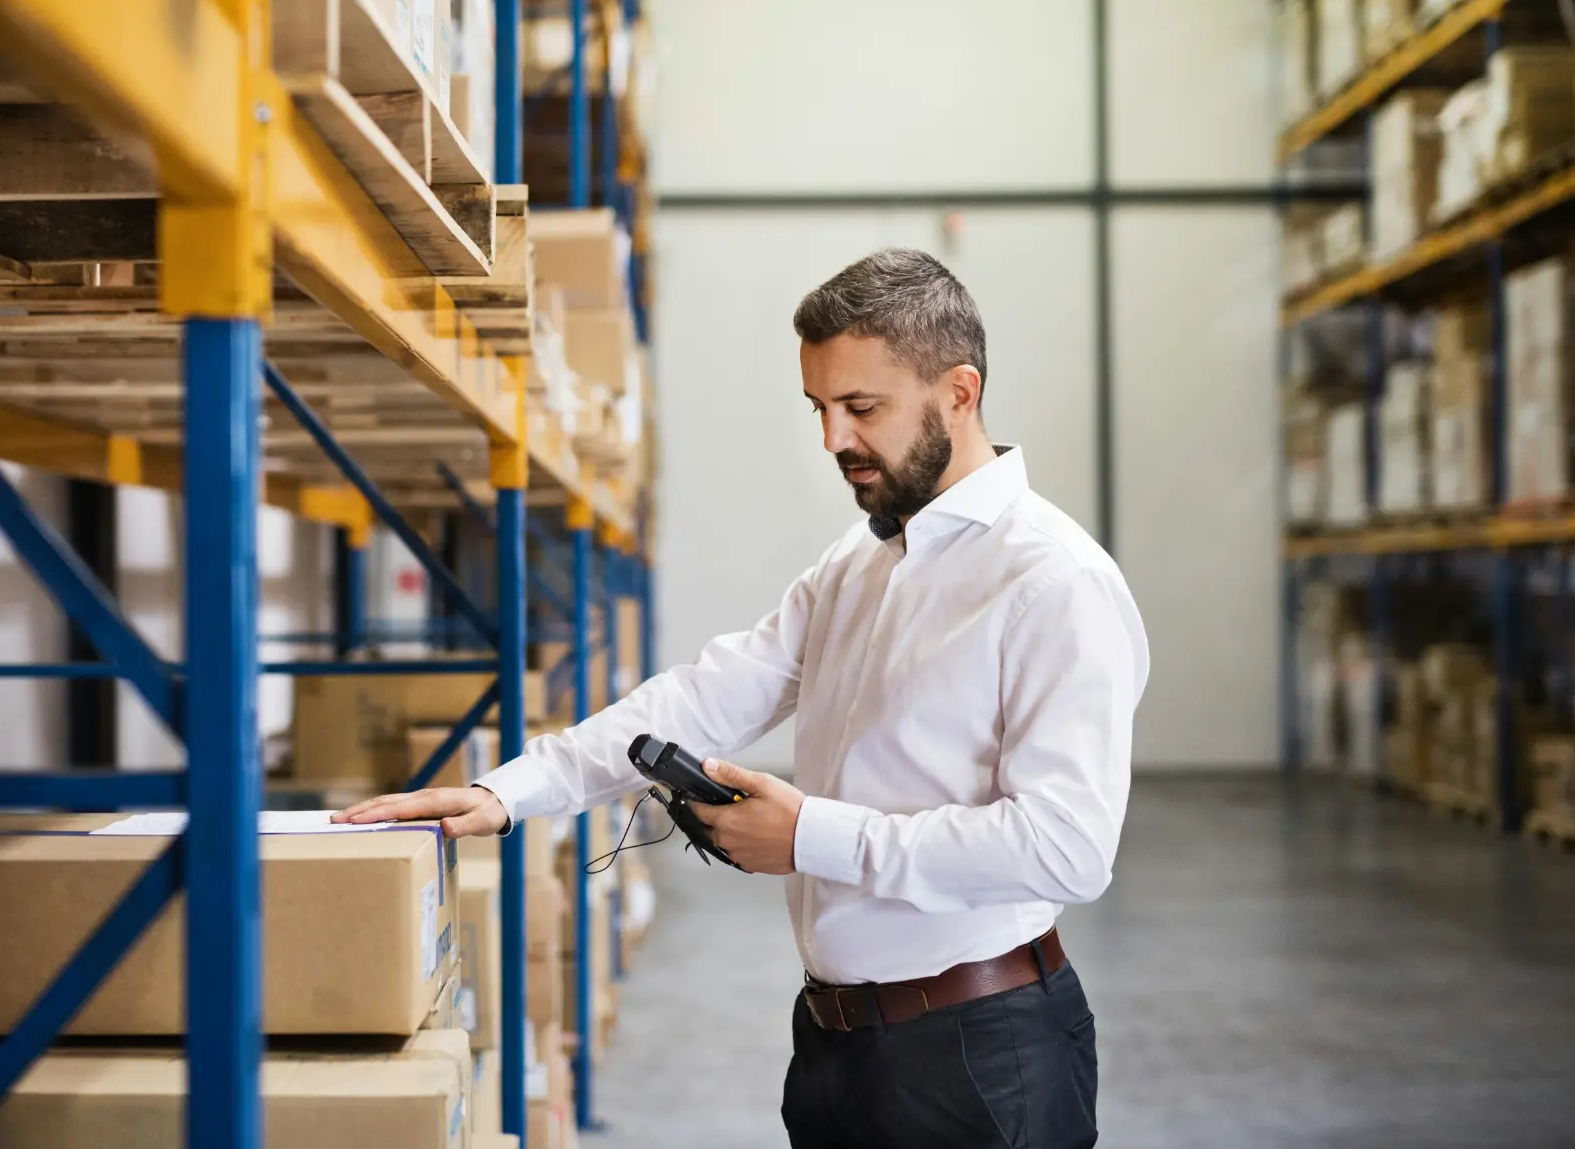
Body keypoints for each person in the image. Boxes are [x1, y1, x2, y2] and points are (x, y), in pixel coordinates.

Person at [336, 247, 1148, 1148]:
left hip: (981, 1057)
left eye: (861, 408)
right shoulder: (860, 563)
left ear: (960, 392)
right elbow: (704, 698)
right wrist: (509, 791)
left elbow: (1068, 848)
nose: (833, 440)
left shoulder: (1052, 582)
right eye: (819, 408)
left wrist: (809, 836)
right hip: (839, 1047)